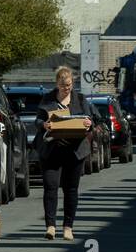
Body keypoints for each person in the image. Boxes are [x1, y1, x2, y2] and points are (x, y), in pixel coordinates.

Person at [31, 66, 98, 241]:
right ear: (56, 84)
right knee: (50, 187)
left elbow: (92, 120)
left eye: (68, 85)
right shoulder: (47, 99)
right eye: (62, 86)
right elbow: (37, 120)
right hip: (52, 150)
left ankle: (68, 227)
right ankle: (50, 226)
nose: (65, 88)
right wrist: (44, 124)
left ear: (72, 83)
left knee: (71, 189)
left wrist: (87, 123)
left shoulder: (81, 99)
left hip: (74, 151)